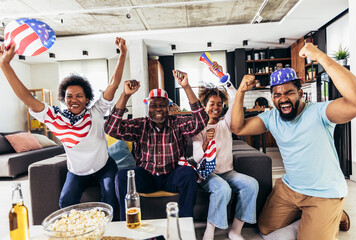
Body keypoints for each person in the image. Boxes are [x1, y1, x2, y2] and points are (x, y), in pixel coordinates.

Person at [230, 42, 356, 240]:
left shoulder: (319, 112)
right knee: (264, 228)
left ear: (300, 93)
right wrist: (240, 92)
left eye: (289, 92)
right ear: (272, 97)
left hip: (324, 193)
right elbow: (237, 127)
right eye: (277, 95)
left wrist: (321, 57)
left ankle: (333, 213)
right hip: (291, 188)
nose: (283, 99)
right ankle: (319, 217)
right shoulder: (271, 117)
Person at [0, 37, 128, 215]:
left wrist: (122, 54)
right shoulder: (54, 117)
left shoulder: (96, 112)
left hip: (104, 166)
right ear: (64, 98)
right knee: (66, 202)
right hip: (76, 171)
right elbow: (27, 98)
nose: (74, 100)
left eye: (79, 96)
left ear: (87, 99)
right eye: (69, 96)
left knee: (110, 197)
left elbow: (114, 84)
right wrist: (5, 65)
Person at [104, 71, 209, 221]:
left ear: (168, 107)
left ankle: (186, 224)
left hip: (172, 175)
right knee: (122, 176)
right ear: (148, 107)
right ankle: (126, 223)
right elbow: (111, 128)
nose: (158, 109)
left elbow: (201, 121)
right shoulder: (140, 125)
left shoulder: (177, 123)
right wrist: (125, 95)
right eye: (154, 105)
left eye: (162, 105)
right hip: (146, 176)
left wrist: (186, 87)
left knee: (188, 173)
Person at [192, 62, 258, 240]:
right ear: (204, 106)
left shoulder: (225, 123)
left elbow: (237, 98)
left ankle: (235, 230)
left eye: (219, 104)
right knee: (222, 189)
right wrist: (206, 142)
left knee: (251, 184)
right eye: (212, 103)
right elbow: (197, 157)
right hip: (207, 174)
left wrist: (222, 78)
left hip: (228, 172)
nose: (216, 107)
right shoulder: (198, 128)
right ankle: (210, 231)